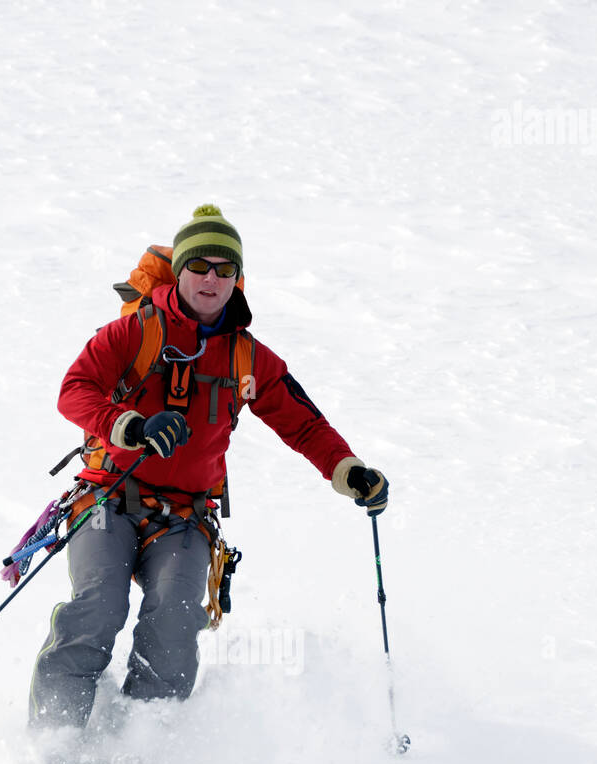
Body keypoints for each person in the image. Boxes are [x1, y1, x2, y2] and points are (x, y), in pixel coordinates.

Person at [29, 204, 388, 731]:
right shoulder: (132, 333)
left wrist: (348, 470)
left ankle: (143, 751)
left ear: (238, 279)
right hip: (107, 499)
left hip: (186, 516)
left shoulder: (248, 357)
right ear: (180, 272)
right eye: (200, 266)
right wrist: (128, 425)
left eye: (225, 268)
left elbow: (304, 424)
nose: (212, 278)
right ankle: (54, 745)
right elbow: (74, 391)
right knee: (97, 608)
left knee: (174, 622)